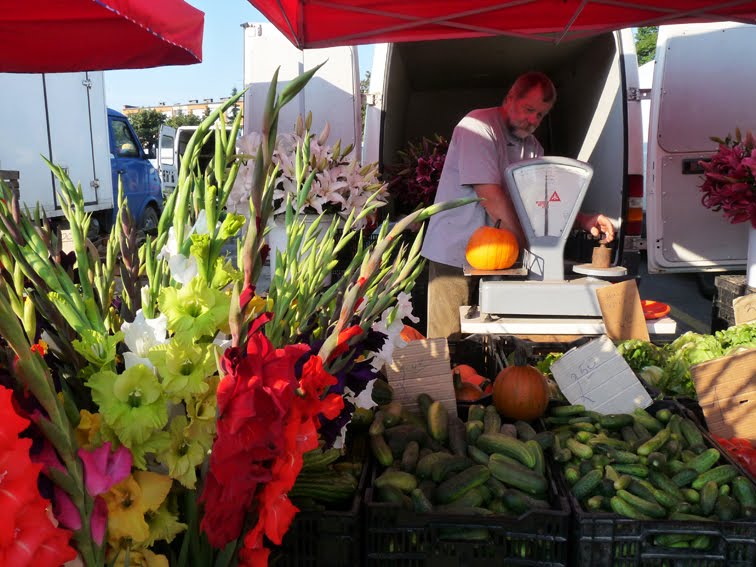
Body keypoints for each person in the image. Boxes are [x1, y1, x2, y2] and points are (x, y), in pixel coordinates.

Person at [420, 71, 615, 339]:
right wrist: (531, 251)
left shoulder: (533, 148)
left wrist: (582, 220)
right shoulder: (477, 126)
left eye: (540, 115)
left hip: (503, 259)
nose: (533, 120)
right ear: (509, 98)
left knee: (494, 338)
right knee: (448, 340)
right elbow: (491, 197)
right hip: (456, 254)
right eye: (529, 109)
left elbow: (541, 204)